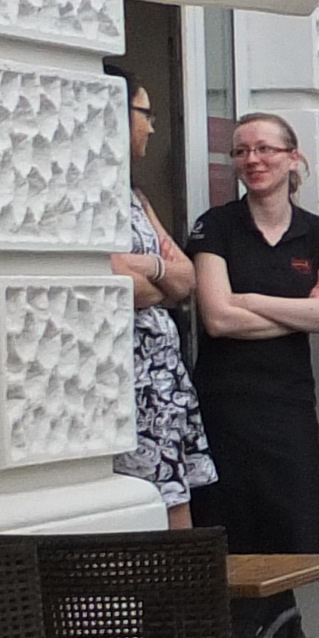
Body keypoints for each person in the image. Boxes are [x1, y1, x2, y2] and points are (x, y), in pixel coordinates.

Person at [186, 113, 319, 563]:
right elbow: (218, 319)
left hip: (289, 405)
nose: (252, 160)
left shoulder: (316, 232)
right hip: (226, 406)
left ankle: (285, 610)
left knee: (290, 537)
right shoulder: (215, 226)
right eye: (241, 151)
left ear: (292, 158)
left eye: (264, 149)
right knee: (232, 537)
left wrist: (251, 300)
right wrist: (302, 313)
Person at [111, 75, 214, 525]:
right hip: (128, 375)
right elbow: (114, 280)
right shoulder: (88, 196)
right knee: (147, 502)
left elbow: (186, 277)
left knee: (176, 496)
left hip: (162, 378)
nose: (151, 127)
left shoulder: (135, 196)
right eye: (144, 114)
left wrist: (148, 267)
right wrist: (159, 272)